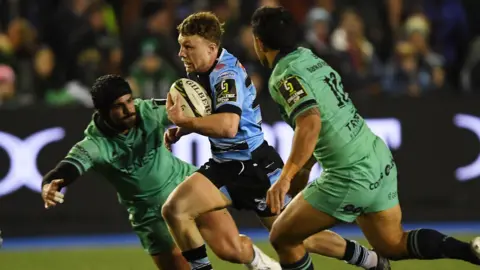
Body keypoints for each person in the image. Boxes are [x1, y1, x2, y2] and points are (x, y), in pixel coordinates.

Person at [250, 6, 480, 270]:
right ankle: (470, 251)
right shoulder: (309, 57)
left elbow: (310, 123)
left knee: (282, 237)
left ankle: (370, 261)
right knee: (392, 244)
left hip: (349, 173)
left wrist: (285, 177)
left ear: (258, 42)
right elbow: (325, 120)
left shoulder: (283, 76)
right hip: (375, 156)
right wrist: (303, 169)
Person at [161, 11, 382, 270]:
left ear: (211, 48)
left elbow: (229, 126)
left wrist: (187, 123)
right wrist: (186, 130)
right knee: (175, 210)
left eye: (188, 46)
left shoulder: (225, 75)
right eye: (180, 46)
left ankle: (371, 259)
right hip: (225, 165)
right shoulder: (202, 69)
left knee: (302, 237)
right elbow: (214, 116)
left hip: (256, 167)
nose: (181, 53)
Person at [40, 74, 241, 270]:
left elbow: (192, 107)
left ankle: (261, 264)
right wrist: (51, 183)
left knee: (232, 250)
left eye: (129, 101)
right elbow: (67, 167)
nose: (129, 109)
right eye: (118, 106)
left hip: (185, 184)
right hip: (150, 215)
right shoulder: (95, 144)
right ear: (102, 111)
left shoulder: (149, 111)